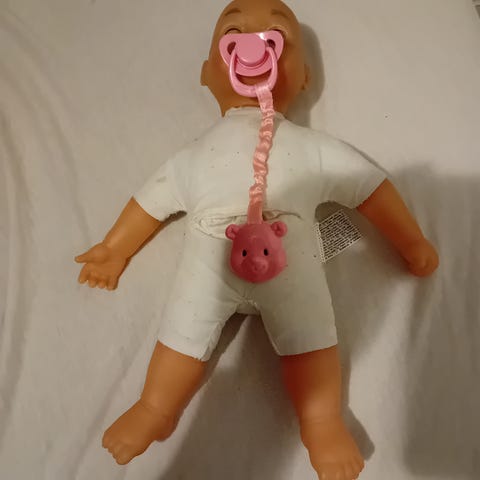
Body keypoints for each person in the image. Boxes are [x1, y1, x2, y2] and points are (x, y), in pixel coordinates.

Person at [75, 1, 439, 478]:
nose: (254, 43)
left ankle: (322, 420)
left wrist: (410, 241)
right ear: (207, 72)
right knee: (181, 334)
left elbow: (370, 187)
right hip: (209, 266)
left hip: (294, 265)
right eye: (234, 31)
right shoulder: (196, 154)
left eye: (277, 36)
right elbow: (150, 200)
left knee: (312, 339)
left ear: (304, 78)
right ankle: (154, 407)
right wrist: (113, 248)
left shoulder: (314, 149)